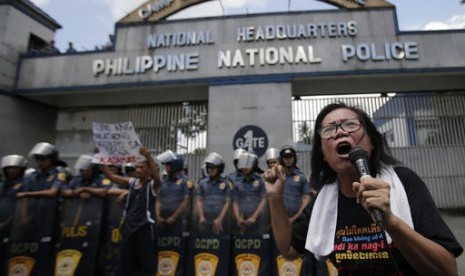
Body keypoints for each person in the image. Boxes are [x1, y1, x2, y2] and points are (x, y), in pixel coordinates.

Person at [264, 102, 463, 275]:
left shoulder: (404, 182)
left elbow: (447, 269)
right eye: (329, 130)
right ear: (324, 154)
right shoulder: (324, 201)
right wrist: (275, 198)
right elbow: (288, 250)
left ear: (372, 142)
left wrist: (391, 222)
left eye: (350, 124)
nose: (340, 132)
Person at [101, 147, 160, 275]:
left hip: (144, 228)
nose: (138, 170)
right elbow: (110, 176)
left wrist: (148, 156)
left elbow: (157, 178)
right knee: (126, 264)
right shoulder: (132, 182)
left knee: (147, 266)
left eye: (142, 167)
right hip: (128, 228)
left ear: (149, 170)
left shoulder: (152, 185)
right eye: (137, 167)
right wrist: (101, 159)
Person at [0, 155, 27, 274]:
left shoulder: (26, 184)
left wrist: (7, 222)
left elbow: (23, 207)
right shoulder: (2, 184)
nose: (11, 170)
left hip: (13, 226)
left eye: (15, 167)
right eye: (9, 167)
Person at [194, 152, 231, 234]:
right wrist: (201, 216)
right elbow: (199, 201)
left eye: (213, 168)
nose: (211, 170)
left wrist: (220, 219)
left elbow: (227, 203)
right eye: (209, 168)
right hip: (205, 221)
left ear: (219, 168)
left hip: (221, 222)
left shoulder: (226, 183)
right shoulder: (202, 183)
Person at [232, 151, 267, 235]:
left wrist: (254, 217)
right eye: (243, 164)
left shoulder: (261, 181)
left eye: (247, 164)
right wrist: (238, 219)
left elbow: (264, 200)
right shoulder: (237, 184)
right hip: (241, 222)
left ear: (253, 165)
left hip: (258, 221)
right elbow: (235, 202)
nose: (244, 167)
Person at [155, 150, 192, 232]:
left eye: (168, 164)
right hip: (162, 222)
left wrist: (173, 218)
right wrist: (157, 216)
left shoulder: (185, 181)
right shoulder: (164, 180)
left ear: (175, 165)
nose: (166, 167)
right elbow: (159, 199)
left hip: (178, 223)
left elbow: (186, 202)